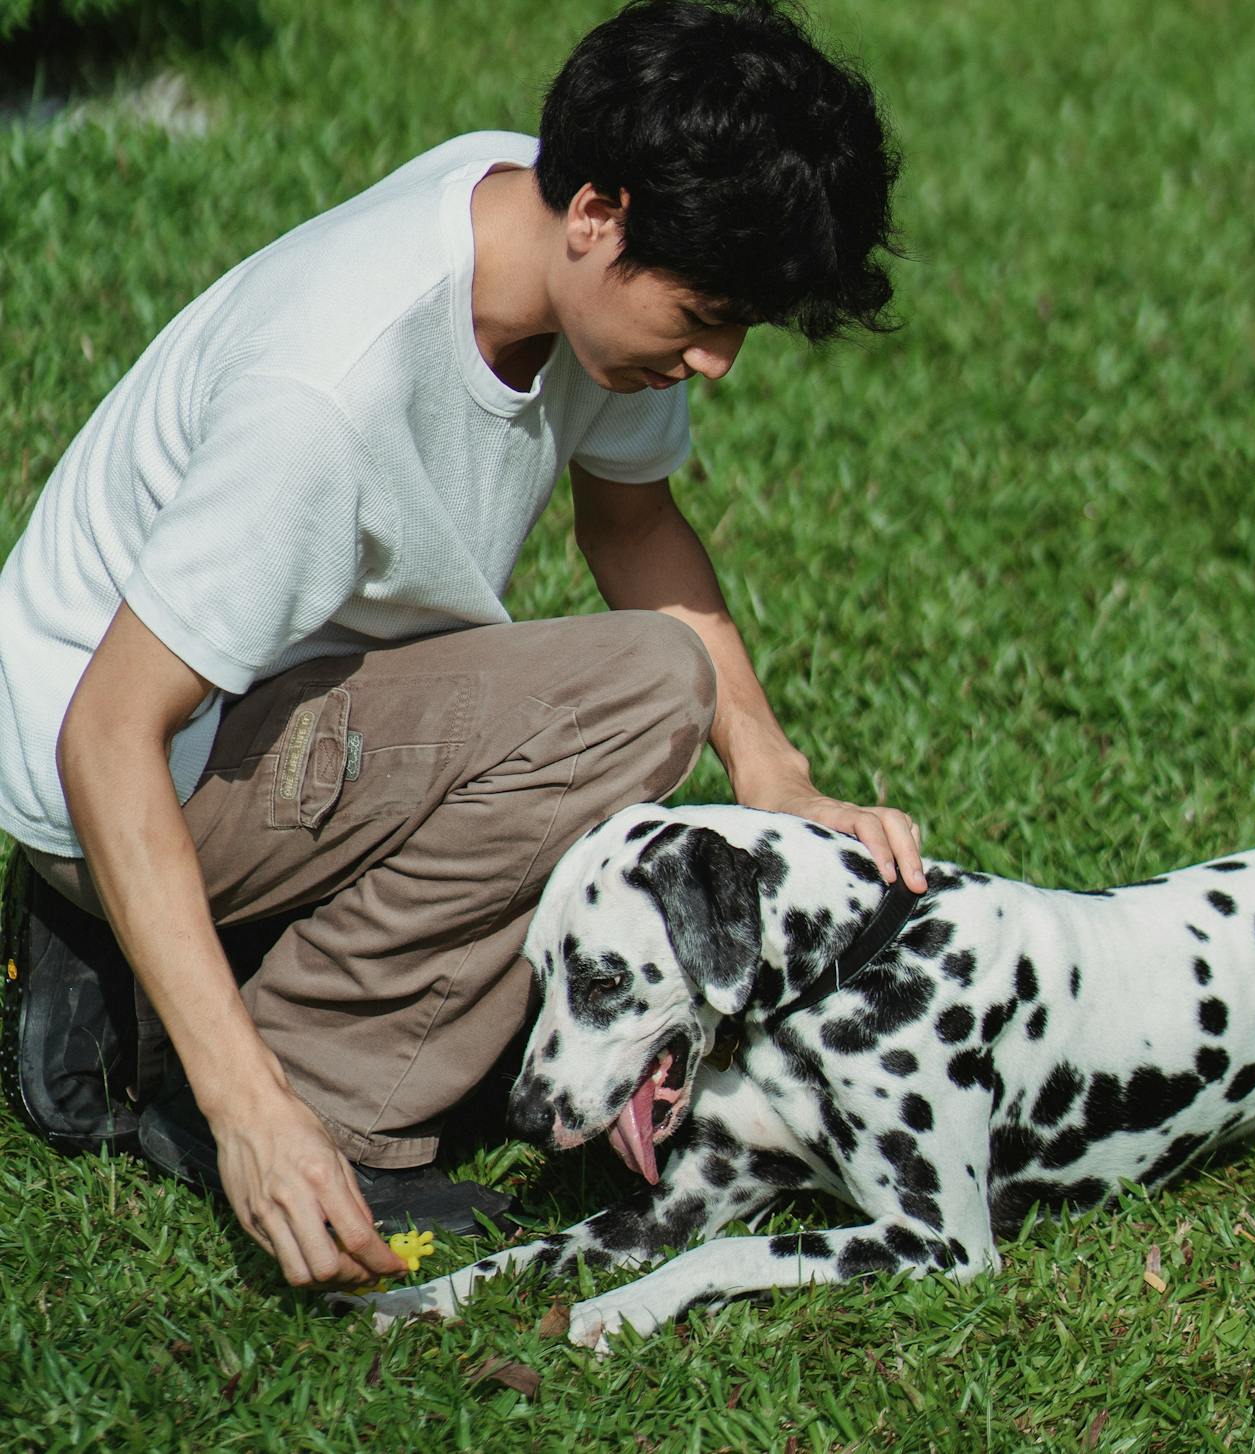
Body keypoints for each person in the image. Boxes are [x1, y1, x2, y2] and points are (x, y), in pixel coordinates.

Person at [0, 0, 925, 1293]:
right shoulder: (330, 390)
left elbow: (631, 514)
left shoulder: (540, 219)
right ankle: (309, 1074)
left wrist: (771, 768)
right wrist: (255, 1111)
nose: (715, 360)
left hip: (233, 711)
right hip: (108, 765)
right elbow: (108, 735)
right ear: (599, 218)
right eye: (706, 312)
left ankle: (142, 971)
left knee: (650, 702)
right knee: (636, 695)